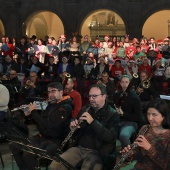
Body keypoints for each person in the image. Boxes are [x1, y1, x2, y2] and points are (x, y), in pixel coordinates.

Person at [50, 84, 120, 170]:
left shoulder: (113, 114)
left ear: (104, 96)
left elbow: (111, 138)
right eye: (90, 96)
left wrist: (93, 122)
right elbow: (76, 134)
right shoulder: (85, 109)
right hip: (80, 149)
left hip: (98, 152)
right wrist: (73, 129)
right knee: (54, 166)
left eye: (94, 96)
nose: (90, 99)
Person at [10, 82, 73, 170]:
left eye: (53, 91)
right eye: (49, 92)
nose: (50, 94)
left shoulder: (66, 107)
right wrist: (29, 115)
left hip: (55, 141)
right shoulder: (50, 104)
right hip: (42, 137)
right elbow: (40, 122)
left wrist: (34, 112)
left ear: (61, 92)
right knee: (14, 145)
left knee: (28, 154)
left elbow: (48, 124)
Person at [120, 98, 170, 170]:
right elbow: (138, 154)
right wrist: (130, 154)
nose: (150, 118)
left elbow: (167, 166)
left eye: (154, 115)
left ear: (164, 116)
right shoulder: (145, 128)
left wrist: (149, 148)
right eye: (148, 114)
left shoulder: (168, 136)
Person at [113, 75, 144, 148]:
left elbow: (138, 117)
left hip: (131, 122)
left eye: (126, 82)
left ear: (129, 83)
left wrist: (123, 114)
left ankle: (128, 155)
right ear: (120, 83)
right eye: (122, 82)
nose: (124, 84)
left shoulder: (135, 97)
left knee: (123, 136)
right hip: (117, 121)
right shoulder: (116, 95)